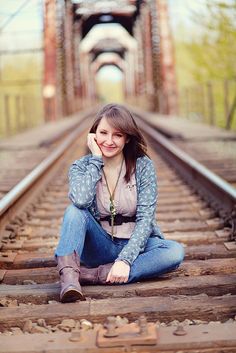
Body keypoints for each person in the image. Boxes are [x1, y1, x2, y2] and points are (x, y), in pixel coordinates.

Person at [55, 103, 184, 303]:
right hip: (99, 245)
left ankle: (92, 275)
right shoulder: (81, 167)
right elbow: (80, 201)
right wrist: (96, 160)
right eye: (103, 133)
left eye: (117, 135)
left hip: (136, 245)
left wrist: (124, 260)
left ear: (127, 138)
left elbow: (146, 219)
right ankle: (70, 282)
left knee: (174, 252)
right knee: (73, 211)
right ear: (93, 135)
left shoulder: (142, 166)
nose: (109, 140)